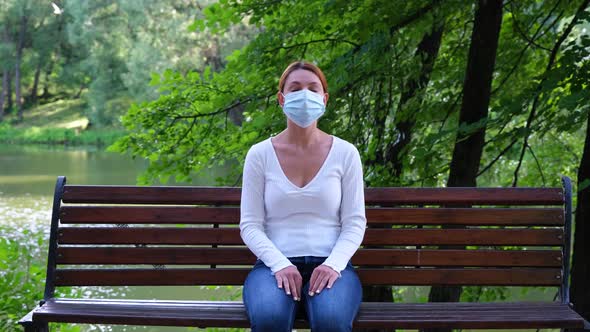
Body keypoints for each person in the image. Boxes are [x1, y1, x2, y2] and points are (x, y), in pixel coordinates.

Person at [239, 61, 367, 332]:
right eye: (295, 88)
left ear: (325, 98)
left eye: (313, 88)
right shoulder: (259, 155)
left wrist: (333, 265)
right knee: (269, 320)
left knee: (331, 321)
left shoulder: (346, 153)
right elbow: (250, 225)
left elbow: (355, 222)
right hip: (272, 267)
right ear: (281, 98)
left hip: (333, 267)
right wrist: (280, 265)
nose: (305, 95)